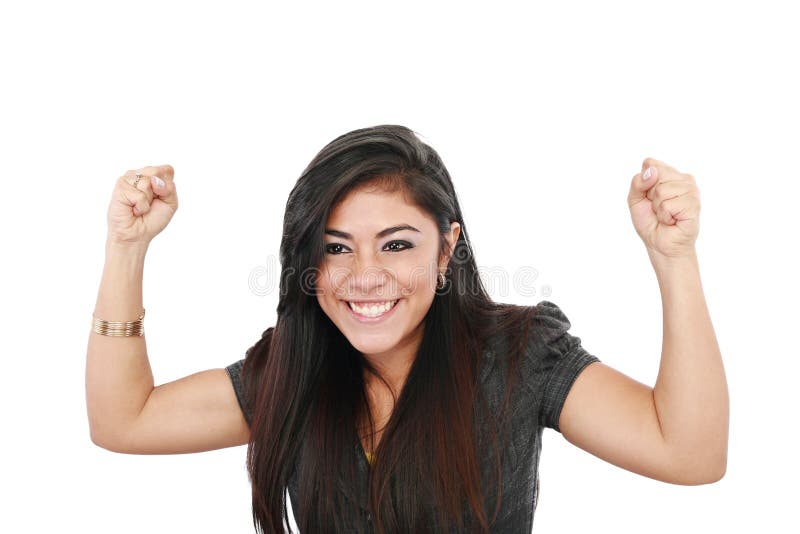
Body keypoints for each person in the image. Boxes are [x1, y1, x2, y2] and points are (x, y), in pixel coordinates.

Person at [86, 124, 729, 533]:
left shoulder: (518, 358)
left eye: (396, 245)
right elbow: (125, 421)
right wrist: (126, 248)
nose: (364, 277)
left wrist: (674, 259)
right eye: (336, 248)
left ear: (447, 250)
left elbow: (690, 454)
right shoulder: (295, 366)